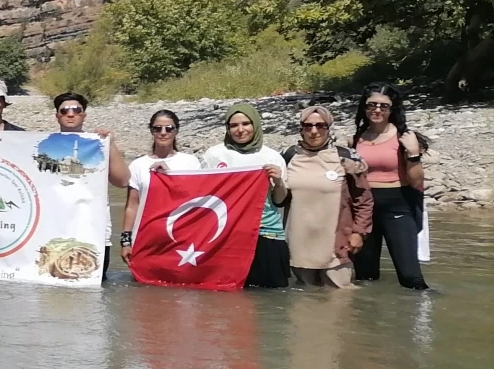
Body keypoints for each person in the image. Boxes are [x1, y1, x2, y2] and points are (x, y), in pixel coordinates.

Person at [351, 83, 431, 289]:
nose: (377, 110)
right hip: (364, 208)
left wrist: (413, 153)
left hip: (398, 207)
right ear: (364, 107)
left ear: (392, 109)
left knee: (410, 277)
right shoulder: (356, 139)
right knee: (365, 277)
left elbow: (417, 181)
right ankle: (368, 318)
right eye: (371, 105)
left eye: (383, 106)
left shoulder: (405, 138)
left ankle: (420, 318)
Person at [202, 102, 291, 288]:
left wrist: (279, 181)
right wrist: (166, 174)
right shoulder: (214, 155)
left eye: (246, 124)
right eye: (233, 125)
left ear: (256, 125)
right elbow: (199, 191)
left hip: (266, 235)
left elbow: (279, 200)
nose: (240, 130)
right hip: (226, 236)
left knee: (271, 300)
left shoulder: (272, 157)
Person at [282, 103, 371, 288]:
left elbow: (363, 199)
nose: (314, 131)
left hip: (335, 243)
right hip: (299, 243)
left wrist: (359, 233)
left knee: (340, 298)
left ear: (329, 128)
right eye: (308, 126)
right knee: (303, 301)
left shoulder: (346, 157)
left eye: (320, 126)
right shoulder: (289, 156)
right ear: (301, 130)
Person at [120, 109, 202, 263]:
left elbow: (194, 201)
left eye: (169, 128)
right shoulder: (138, 165)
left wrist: (169, 176)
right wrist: (125, 241)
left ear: (176, 131)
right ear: (151, 131)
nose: (163, 133)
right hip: (146, 237)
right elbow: (132, 206)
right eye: (157, 128)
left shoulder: (190, 162)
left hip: (180, 238)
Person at [53, 92, 130, 188]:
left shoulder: (98, 142)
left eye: (77, 110)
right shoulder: (43, 144)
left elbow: (123, 182)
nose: (71, 115)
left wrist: (109, 144)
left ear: (84, 116)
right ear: (57, 116)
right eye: (64, 111)